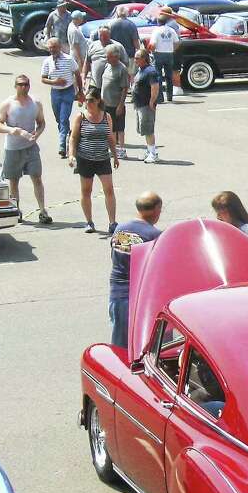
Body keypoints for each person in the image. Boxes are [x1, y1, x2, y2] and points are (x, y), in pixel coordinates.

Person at [107, 191, 163, 348]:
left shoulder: (120, 229)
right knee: (145, 345)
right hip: (140, 297)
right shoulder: (155, 236)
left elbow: (114, 255)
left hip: (117, 294)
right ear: (157, 209)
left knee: (120, 345)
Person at [0, 75, 52, 224]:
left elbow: (41, 123)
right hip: (13, 149)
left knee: (37, 178)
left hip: (31, 147)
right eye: (20, 84)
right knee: (14, 181)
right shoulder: (8, 104)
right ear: (15, 86)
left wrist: (37, 134)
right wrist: (12, 130)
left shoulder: (35, 103)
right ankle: (16, 210)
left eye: (26, 84)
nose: (24, 87)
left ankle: (42, 210)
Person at [68, 87, 120, 234]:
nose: (88, 102)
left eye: (91, 100)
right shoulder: (81, 117)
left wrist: (115, 155)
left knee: (109, 190)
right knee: (86, 191)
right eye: (86, 100)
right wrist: (71, 155)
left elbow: (110, 137)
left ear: (98, 101)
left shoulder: (106, 117)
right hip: (85, 159)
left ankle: (112, 223)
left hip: (102, 159)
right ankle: (89, 222)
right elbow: (73, 137)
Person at [40, 37, 82, 159]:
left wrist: (80, 91)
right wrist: (54, 82)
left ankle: (62, 145)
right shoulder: (47, 61)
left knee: (64, 118)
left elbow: (77, 74)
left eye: (54, 47)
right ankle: (68, 134)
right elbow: (43, 78)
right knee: (59, 119)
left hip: (68, 92)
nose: (52, 50)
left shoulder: (69, 59)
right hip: (55, 93)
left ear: (59, 47)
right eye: (50, 48)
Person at [92, 43, 129, 158]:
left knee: (119, 127)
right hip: (105, 103)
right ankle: (112, 148)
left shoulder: (122, 69)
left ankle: (122, 149)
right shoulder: (107, 66)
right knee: (109, 127)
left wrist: (120, 105)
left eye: (108, 56)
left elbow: (125, 88)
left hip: (116, 103)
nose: (106, 58)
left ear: (116, 56)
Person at [132, 48, 161, 163]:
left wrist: (152, 101)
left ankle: (153, 154)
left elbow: (155, 87)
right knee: (143, 129)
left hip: (146, 105)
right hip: (140, 104)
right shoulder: (141, 70)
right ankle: (149, 151)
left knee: (148, 129)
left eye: (137, 58)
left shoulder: (150, 71)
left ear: (144, 59)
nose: (135, 60)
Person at [150, 10, 181, 102]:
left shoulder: (156, 31)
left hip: (159, 53)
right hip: (169, 54)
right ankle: (170, 96)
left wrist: (152, 52)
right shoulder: (171, 30)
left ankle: (160, 97)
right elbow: (177, 42)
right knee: (169, 75)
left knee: (158, 75)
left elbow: (153, 44)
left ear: (158, 22)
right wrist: (173, 49)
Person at [67, 10, 90, 76]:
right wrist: (80, 59)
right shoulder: (74, 30)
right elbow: (75, 45)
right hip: (77, 56)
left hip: (79, 54)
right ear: (77, 19)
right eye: (81, 18)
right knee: (79, 74)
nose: (82, 19)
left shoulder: (74, 26)